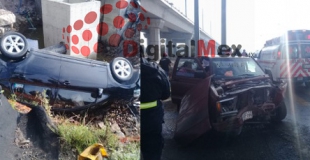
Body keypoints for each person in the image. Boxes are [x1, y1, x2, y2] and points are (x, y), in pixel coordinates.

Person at [140, 55, 171, 160]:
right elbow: (166, 94)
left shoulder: (123, 67)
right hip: (152, 118)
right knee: (152, 150)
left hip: (131, 116)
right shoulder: (156, 69)